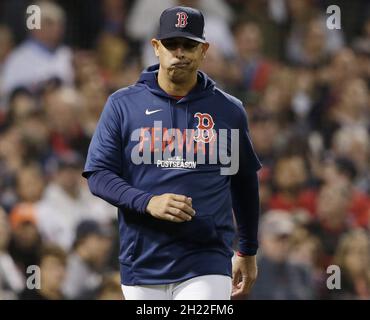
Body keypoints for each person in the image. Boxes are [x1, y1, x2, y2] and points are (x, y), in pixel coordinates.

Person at [83, 6, 261, 300]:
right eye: (171, 44)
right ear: (156, 47)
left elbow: (243, 182)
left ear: (204, 50)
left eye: (189, 45)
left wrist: (248, 250)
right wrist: (148, 202)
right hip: (142, 260)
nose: (179, 52)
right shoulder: (122, 105)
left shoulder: (229, 110)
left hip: (207, 258)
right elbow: (98, 175)